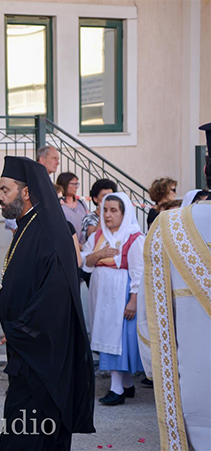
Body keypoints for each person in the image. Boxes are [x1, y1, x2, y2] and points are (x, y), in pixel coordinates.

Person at [0, 156, 95, 450]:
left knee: (28, 433)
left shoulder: (50, 233)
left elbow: (55, 298)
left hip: (40, 358)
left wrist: (20, 329)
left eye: (5, 190)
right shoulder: (26, 226)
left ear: (25, 192)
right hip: (25, 348)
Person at [137, 124, 211, 450]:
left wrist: (154, 363)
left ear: (206, 169)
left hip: (194, 381)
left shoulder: (169, 226)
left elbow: (149, 310)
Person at [81, 192, 144, 406]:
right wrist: (100, 254)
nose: (108, 215)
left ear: (124, 213)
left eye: (113, 210)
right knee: (107, 336)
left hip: (120, 294)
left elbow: (139, 271)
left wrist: (133, 299)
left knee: (117, 339)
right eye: (105, 210)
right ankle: (126, 385)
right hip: (101, 294)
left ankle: (116, 389)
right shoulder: (98, 236)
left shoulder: (134, 237)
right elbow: (85, 262)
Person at [4, 145, 60, 234]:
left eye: (58, 159)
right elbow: (13, 202)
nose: (57, 162)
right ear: (42, 159)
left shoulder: (48, 181)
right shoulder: (29, 179)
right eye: (54, 158)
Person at [56, 172, 88, 244]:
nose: (76, 187)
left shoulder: (82, 204)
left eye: (77, 184)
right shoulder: (59, 205)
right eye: (73, 184)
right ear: (64, 184)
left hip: (84, 245)